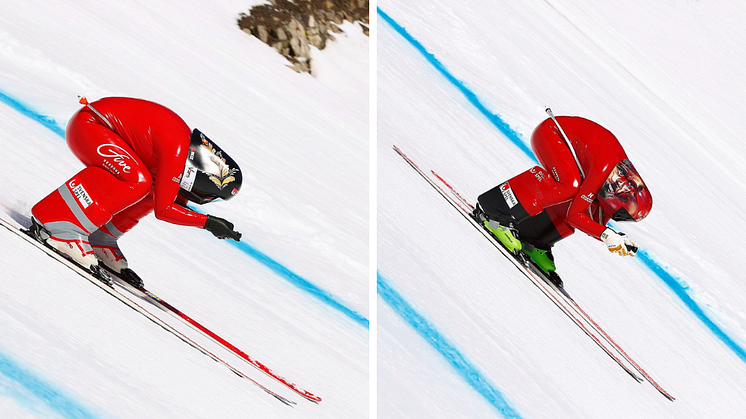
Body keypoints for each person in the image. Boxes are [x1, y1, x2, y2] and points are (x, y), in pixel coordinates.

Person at [28, 97, 243, 288]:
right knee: (137, 180)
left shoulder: (185, 151)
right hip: (89, 125)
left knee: (152, 188)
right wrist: (208, 222)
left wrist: (207, 221)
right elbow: (164, 210)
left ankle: (101, 237)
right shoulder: (176, 151)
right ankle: (61, 227)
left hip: (96, 124)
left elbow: (166, 198)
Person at [472, 115, 653, 288]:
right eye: (614, 210)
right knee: (570, 185)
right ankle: (494, 211)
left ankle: (534, 238)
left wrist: (614, 237)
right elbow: (576, 216)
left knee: (579, 196)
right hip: (551, 132)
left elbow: (594, 222)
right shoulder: (604, 171)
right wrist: (607, 235)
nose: (610, 212)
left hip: (565, 139)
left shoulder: (618, 181)